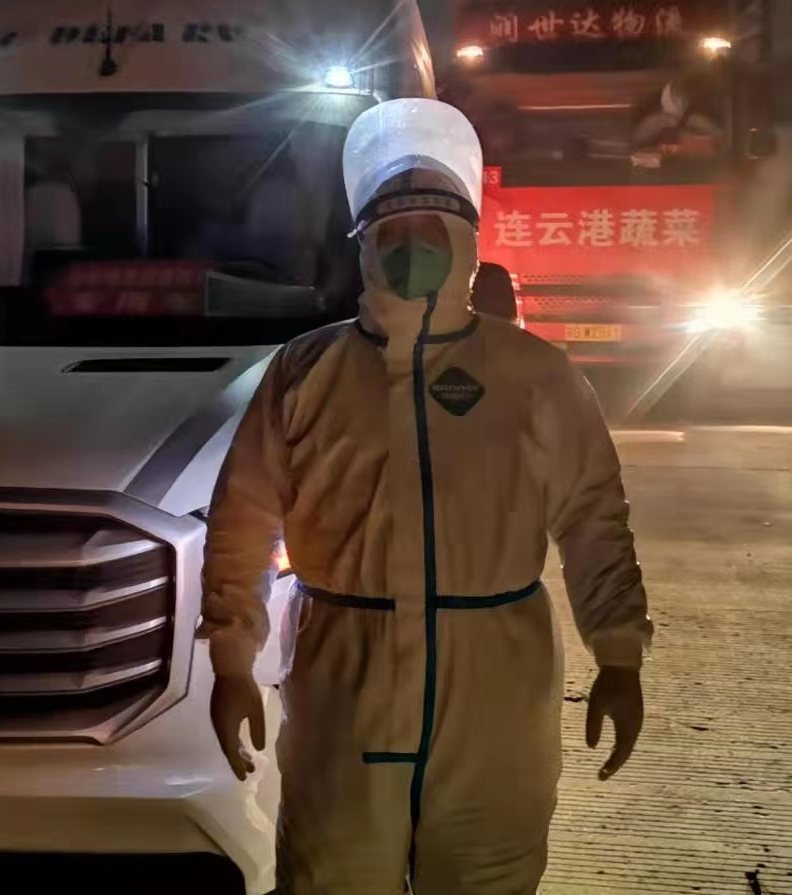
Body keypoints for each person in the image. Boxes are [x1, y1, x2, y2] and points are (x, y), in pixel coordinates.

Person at [200, 98, 652, 894]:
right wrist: (231, 660)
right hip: (344, 679)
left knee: (488, 872)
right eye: (393, 230)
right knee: (331, 874)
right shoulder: (306, 371)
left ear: (467, 244)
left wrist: (617, 654)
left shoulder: (532, 374)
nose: (412, 246)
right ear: (364, 246)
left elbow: (592, 519)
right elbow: (241, 519)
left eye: (431, 229)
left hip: (494, 684)